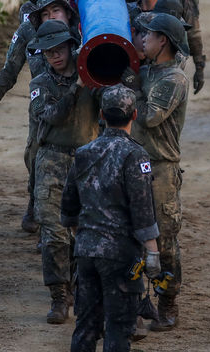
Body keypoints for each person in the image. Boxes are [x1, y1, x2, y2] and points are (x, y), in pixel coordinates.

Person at [0, 0, 80, 233]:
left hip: (81, 106)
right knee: (36, 156)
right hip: (44, 107)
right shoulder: (28, 30)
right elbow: (10, 67)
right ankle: (38, 207)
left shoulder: (81, 28)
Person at [61, 84, 161, 352]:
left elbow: (68, 206)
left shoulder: (83, 153)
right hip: (120, 256)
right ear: (135, 115)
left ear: (102, 115)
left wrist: (81, 237)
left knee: (85, 326)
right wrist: (152, 253)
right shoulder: (135, 154)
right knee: (118, 327)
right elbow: (143, 209)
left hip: (85, 252)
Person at [28, 20, 100, 324]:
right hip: (51, 160)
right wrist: (77, 88)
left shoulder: (93, 74)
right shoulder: (40, 84)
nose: (55, 56)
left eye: (59, 49)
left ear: (72, 45)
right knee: (54, 232)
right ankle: (59, 296)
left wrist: (94, 78)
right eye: (48, 52)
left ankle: (81, 289)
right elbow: (53, 116)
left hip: (86, 159)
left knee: (85, 233)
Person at [121, 13, 190, 331]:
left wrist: (130, 85)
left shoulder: (174, 79)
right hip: (134, 163)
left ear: (163, 40)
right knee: (130, 239)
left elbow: (149, 117)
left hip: (161, 168)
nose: (141, 39)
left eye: (147, 35)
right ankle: (136, 306)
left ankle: (167, 300)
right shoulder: (144, 70)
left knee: (163, 241)